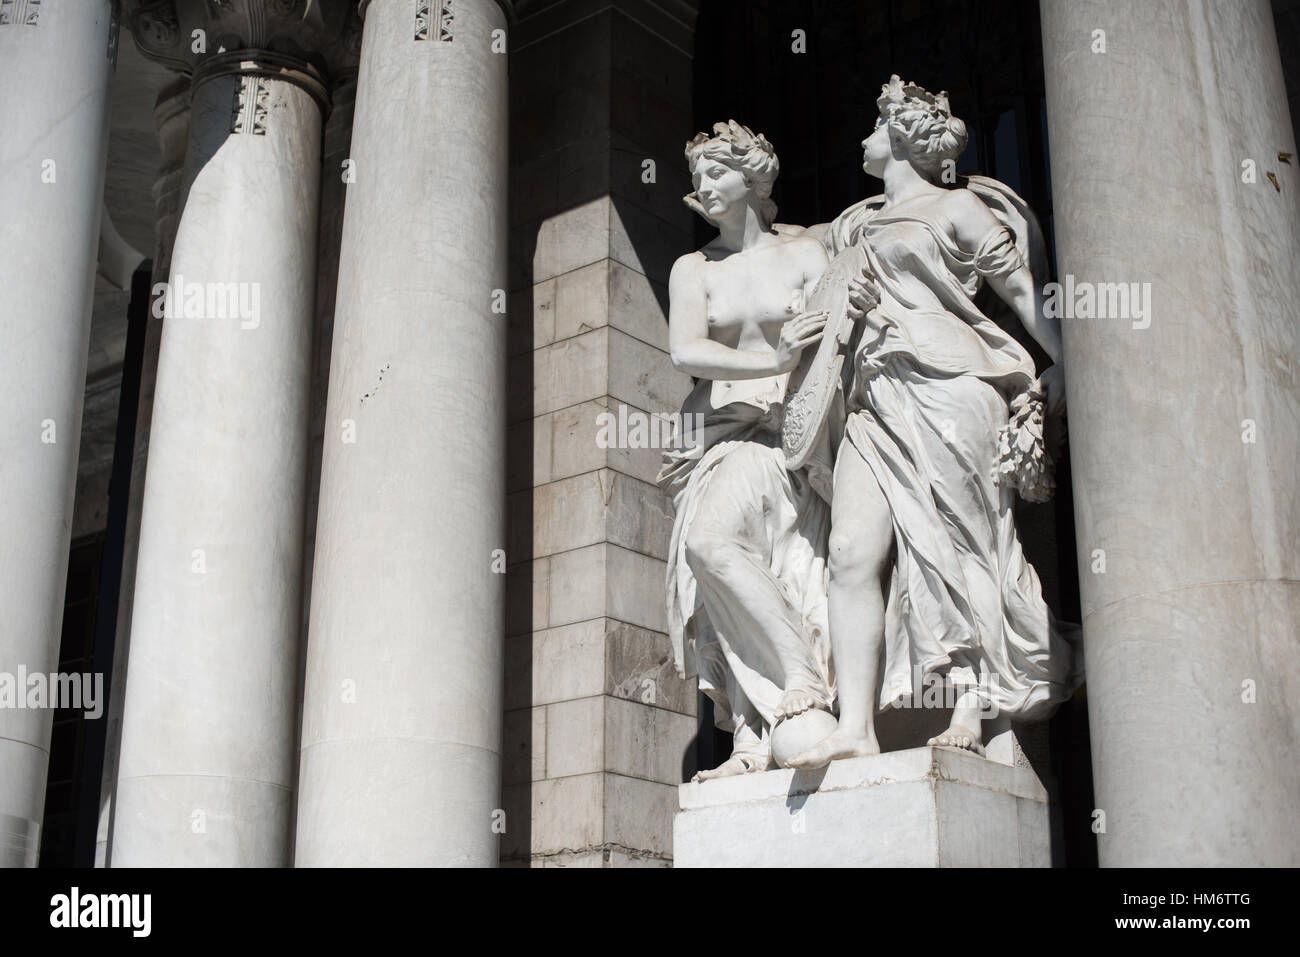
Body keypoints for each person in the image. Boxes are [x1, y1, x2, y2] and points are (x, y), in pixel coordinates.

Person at [789, 77, 1076, 769]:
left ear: (902, 135)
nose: (861, 136)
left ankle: (970, 702)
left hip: (950, 384)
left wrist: (1066, 364)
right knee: (854, 551)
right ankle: (856, 722)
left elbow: (1020, 294)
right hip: (871, 395)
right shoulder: (851, 227)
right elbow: (792, 266)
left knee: (964, 540)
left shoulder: (959, 206)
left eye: (874, 125)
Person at [659, 121, 835, 780]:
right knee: (710, 550)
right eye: (696, 176)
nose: (702, 185)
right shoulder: (695, 268)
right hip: (725, 434)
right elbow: (685, 349)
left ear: (754, 175)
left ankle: (769, 724)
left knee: (783, 566)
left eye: (714, 171)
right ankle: (766, 716)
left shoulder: (806, 255)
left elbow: (841, 333)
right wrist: (770, 364)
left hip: (796, 435)